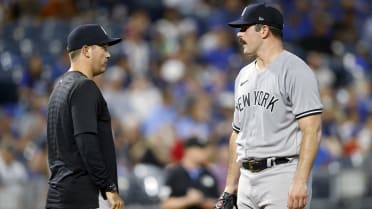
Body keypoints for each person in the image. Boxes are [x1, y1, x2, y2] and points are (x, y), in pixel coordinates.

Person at [216, 3, 323, 209]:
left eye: (244, 28)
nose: (239, 34)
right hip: (247, 179)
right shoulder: (243, 76)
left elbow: (312, 129)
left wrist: (300, 181)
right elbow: (237, 134)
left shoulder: (296, 71)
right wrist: (230, 186)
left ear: (264, 30)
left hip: (282, 174)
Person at [46, 24, 125, 209]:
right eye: (103, 47)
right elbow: (86, 142)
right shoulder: (84, 87)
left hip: (59, 194)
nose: (108, 54)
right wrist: (109, 187)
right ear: (86, 50)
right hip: (81, 196)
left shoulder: (59, 87)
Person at [160, 137, 220, 209]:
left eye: (204, 149)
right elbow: (164, 203)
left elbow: (218, 203)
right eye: (200, 149)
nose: (204, 152)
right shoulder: (173, 173)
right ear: (188, 150)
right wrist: (187, 200)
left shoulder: (208, 174)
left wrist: (201, 201)